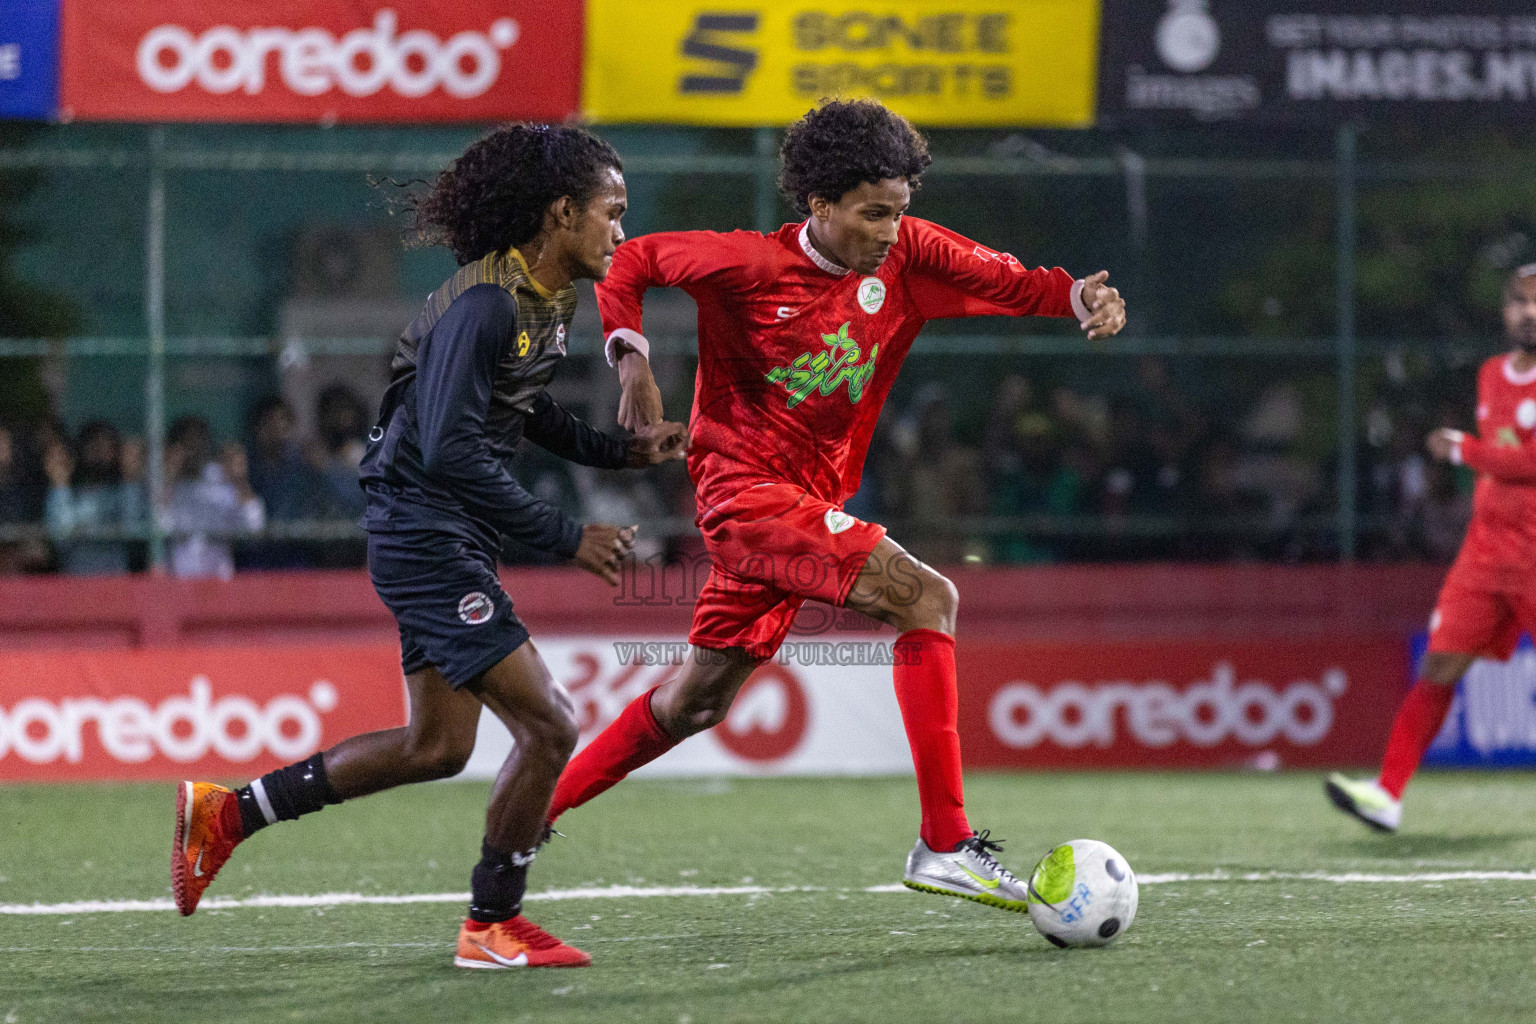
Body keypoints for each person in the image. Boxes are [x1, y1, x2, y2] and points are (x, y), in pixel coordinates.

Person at [548, 99, 1126, 912]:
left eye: (901, 210)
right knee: (927, 596)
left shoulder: (907, 255)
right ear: (819, 205)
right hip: (745, 499)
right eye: (873, 213)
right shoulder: (747, 266)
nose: (892, 230)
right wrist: (632, 361)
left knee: (696, 701)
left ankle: (528, 814)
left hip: (807, 503)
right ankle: (947, 844)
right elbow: (633, 261)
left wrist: (1079, 300)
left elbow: (1011, 281)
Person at [170, 123, 687, 968]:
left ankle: (228, 814)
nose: (621, 232)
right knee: (552, 727)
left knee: (438, 748)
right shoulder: (482, 304)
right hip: (424, 530)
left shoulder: (542, 298)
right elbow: (448, 449)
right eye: (611, 212)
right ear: (561, 212)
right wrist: (565, 536)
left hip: (449, 531)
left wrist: (620, 449)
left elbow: (525, 413)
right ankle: (492, 922)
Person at [1328, 263, 1536, 832]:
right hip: (1484, 558)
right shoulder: (1493, 374)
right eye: (1520, 301)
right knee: (1440, 664)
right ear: (1505, 311)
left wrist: (1463, 451)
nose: (1530, 312)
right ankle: (1387, 795)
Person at [159, 415, 265, 580]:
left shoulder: (221, 478)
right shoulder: (166, 485)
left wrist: (239, 481)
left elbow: (253, 527)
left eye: (200, 441)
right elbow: (160, 527)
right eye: (188, 443)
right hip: (178, 582)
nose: (194, 449)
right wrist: (169, 477)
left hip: (218, 581)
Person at [44, 420, 145, 574]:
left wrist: (130, 479)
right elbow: (61, 539)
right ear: (81, 449)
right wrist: (60, 484)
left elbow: (132, 531)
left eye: (107, 447)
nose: (100, 453)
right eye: (94, 445)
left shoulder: (122, 492)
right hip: (75, 584)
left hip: (115, 584)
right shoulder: (66, 493)